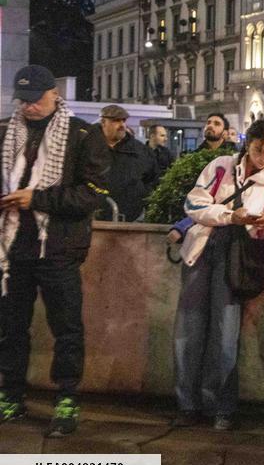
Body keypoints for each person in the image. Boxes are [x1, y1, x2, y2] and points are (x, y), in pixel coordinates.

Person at [0, 65, 111, 436]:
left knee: (66, 327)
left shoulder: (83, 134)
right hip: (11, 248)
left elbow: (92, 194)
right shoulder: (6, 131)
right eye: (23, 100)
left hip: (59, 248)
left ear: (54, 95)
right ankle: (11, 394)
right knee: (10, 327)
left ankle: (66, 398)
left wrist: (38, 198)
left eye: (35, 100)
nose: (28, 107)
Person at [172, 119, 264, 430]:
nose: (263, 158)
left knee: (225, 335)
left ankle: (220, 407)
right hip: (203, 249)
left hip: (240, 257)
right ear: (246, 145)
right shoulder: (221, 166)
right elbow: (194, 203)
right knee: (189, 329)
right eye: (257, 150)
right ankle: (187, 404)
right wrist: (229, 216)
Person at [96, 105, 157, 222]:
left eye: (123, 120)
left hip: (131, 219)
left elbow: (153, 179)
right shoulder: (89, 146)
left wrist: (141, 198)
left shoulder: (140, 150)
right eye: (116, 121)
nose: (122, 125)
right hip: (94, 218)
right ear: (103, 122)